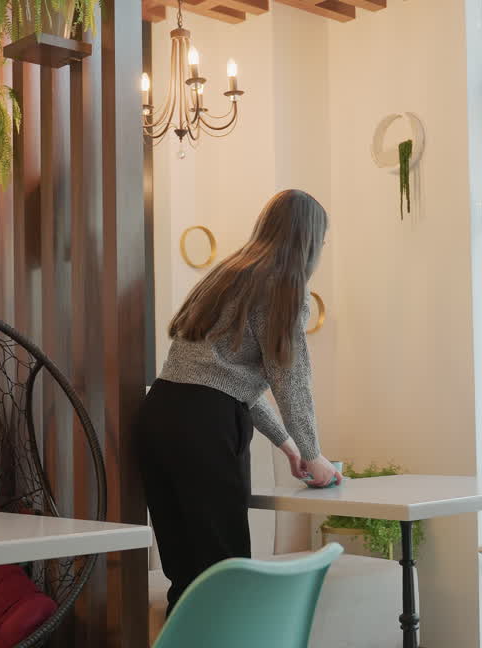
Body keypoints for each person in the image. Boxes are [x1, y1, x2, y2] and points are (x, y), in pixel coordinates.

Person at [135, 189, 344, 613]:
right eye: (320, 242)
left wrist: (286, 444)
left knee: (185, 568)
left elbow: (227, 379)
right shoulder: (285, 287)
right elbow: (290, 378)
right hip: (205, 428)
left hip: (159, 413)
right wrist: (313, 452)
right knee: (222, 567)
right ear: (306, 241)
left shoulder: (227, 274)